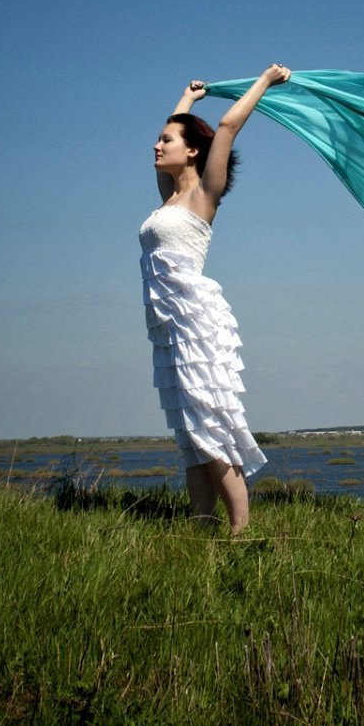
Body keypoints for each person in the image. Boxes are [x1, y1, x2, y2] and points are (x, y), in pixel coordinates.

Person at [141, 64, 290, 532]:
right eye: (159, 138)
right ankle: (201, 530)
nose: (157, 144)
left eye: (167, 140)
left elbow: (226, 126)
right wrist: (186, 99)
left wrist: (264, 82)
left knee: (210, 432)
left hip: (195, 323)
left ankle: (241, 532)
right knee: (190, 438)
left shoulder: (206, 194)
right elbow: (181, 128)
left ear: (192, 151)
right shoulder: (168, 197)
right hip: (167, 327)